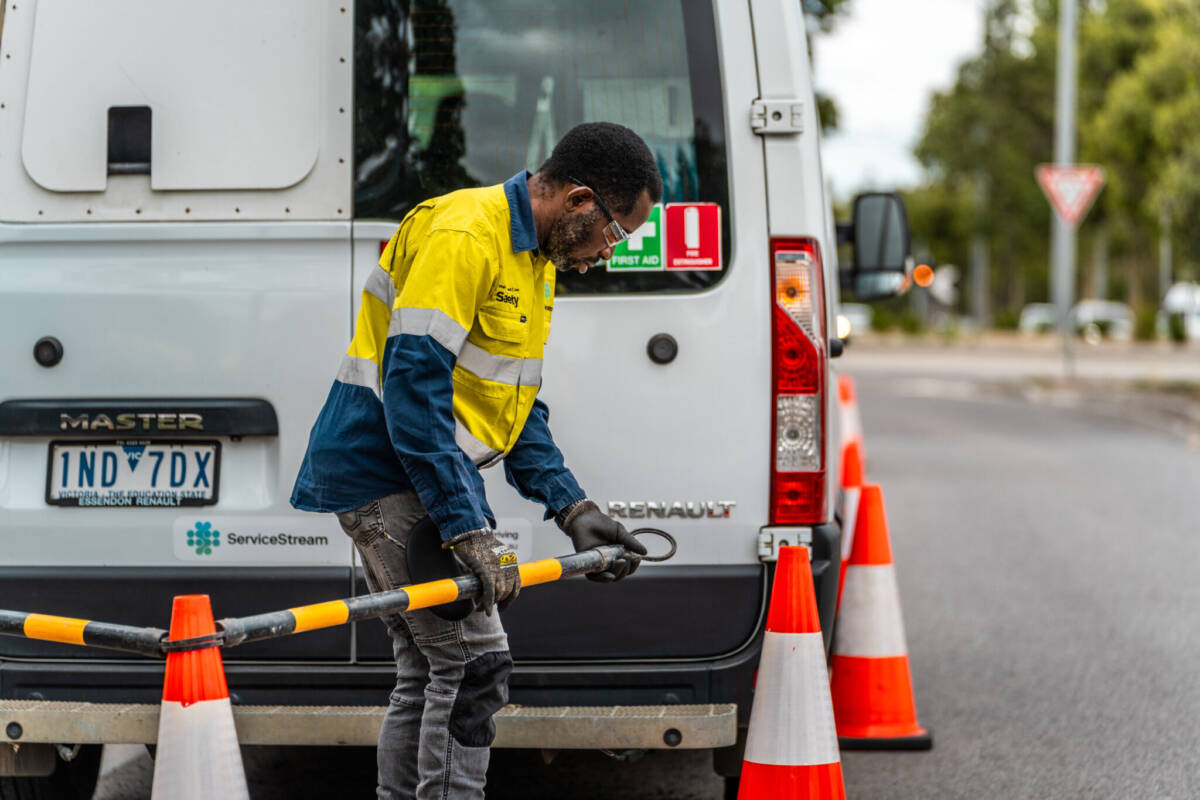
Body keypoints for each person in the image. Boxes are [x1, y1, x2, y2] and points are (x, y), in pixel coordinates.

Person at [291, 122, 661, 799]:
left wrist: (571, 506)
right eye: (614, 233)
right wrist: (466, 527)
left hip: (409, 477)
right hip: (385, 473)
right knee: (475, 664)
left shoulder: (532, 261)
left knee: (430, 669)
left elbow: (511, 408)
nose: (608, 253)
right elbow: (413, 387)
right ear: (580, 199)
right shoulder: (466, 235)